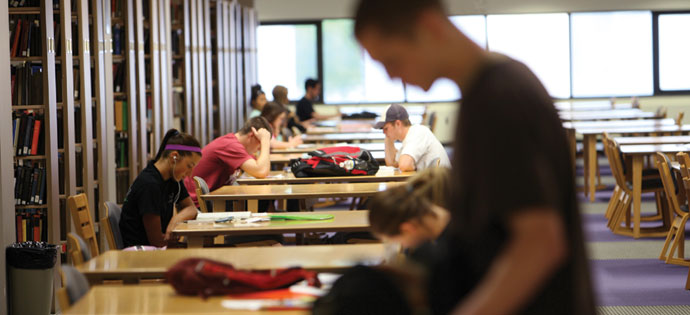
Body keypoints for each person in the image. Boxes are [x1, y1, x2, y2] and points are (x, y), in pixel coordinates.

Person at [354, 1, 595, 315]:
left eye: (391, 59)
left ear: (429, 27)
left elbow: (540, 242)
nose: (391, 75)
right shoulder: (485, 89)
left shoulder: (499, 95)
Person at [119, 129, 202, 248]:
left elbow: (191, 209)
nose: (190, 174)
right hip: (142, 254)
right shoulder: (149, 184)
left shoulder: (172, 179)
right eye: (189, 166)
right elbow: (156, 241)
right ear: (174, 157)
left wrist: (174, 221)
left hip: (158, 247)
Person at [183, 117, 273, 207]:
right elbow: (261, 171)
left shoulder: (236, 145)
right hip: (200, 203)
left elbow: (260, 166)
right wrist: (265, 142)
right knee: (261, 201)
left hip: (215, 198)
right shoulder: (230, 145)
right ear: (252, 135)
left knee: (263, 199)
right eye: (259, 144)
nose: (260, 149)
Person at [368, 167, 450, 249]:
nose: (404, 246)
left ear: (407, 229)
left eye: (398, 242)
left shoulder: (448, 250)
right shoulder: (447, 225)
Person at [376, 103, 450, 171]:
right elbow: (392, 163)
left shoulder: (418, 132)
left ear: (398, 124)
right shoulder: (408, 139)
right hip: (434, 181)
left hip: (442, 183)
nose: (384, 132)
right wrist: (387, 136)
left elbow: (404, 165)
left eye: (386, 128)